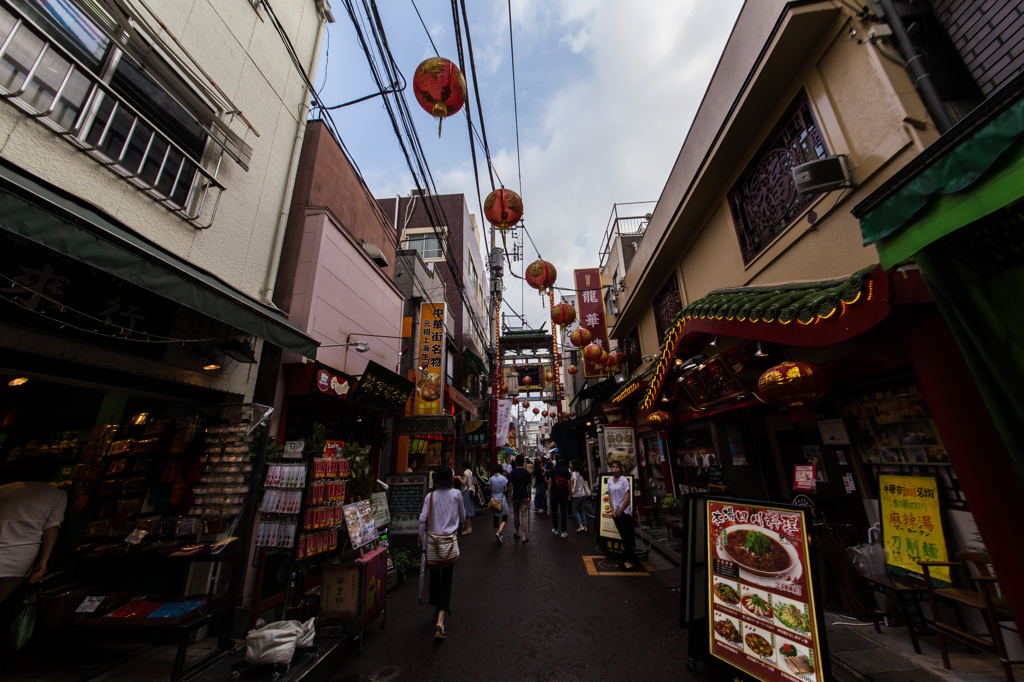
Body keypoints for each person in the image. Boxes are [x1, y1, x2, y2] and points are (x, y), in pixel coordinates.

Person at [0, 456, 66, 605]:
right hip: (19, 559)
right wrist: (44, 559)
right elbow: (52, 527)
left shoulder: (4, 489)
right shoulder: (57, 494)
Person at [418, 466, 465, 640]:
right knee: (447, 579)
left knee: (434, 574)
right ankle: (440, 621)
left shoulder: (430, 496)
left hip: (432, 542)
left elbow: (422, 519)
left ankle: (436, 604)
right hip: (449, 543)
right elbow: (463, 516)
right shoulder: (456, 495)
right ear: (451, 480)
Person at [607, 460, 636, 570]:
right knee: (623, 537)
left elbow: (627, 497)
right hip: (615, 513)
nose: (614, 469)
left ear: (620, 468)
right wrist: (613, 510)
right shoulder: (610, 481)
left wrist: (620, 511)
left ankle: (631, 562)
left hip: (625, 513)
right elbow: (609, 496)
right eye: (613, 467)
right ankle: (627, 559)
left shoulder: (624, 481)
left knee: (628, 538)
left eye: (617, 467)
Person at [508, 455, 532, 542]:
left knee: (516, 514)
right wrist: (530, 495)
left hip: (516, 496)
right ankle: (524, 536)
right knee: (524, 515)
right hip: (524, 496)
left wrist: (510, 495)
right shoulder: (526, 473)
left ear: (516, 462)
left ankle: (517, 532)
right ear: (524, 463)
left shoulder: (513, 473)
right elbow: (529, 485)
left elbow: (510, 484)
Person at [549, 457, 572, 537]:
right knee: (563, 511)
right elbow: (568, 483)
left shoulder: (552, 470)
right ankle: (563, 531)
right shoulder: (565, 470)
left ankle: (555, 529)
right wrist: (569, 493)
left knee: (554, 511)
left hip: (554, 493)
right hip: (563, 493)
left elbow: (549, 482)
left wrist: (549, 493)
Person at [488, 466, 510, 543]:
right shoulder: (504, 478)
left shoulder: (491, 479)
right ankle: (499, 532)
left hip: (493, 499)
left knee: (495, 519)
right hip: (501, 499)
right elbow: (506, 490)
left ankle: (497, 534)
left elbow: (491, 489)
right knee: (504, 518)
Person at [456, 460, 475, 535]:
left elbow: (464, 482)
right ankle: (470, 527)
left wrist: (458, 478)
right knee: (469, 508)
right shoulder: (470, 472)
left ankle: (467, 529)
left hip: (466, 491)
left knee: (466, 509)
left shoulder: (465, 472)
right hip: (470, 490)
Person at [569, 460, 588, 533]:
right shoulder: (579, 473)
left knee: (576, 511)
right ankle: (585, 525)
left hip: (577, 494)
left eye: (571, 464)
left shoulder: (574, 473)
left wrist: (573, 488)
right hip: (582, 493)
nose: (570, 465)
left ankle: (580, 526)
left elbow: (575, 481)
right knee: (582, 510)